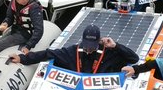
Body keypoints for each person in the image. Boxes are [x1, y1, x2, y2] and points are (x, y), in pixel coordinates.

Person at [10, 24, 138, 73]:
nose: (89, 49)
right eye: (87, 45)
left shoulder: (110, 53)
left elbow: (134, 59)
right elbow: (49, 54)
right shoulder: (72, 52)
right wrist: (23, 58)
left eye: (92, 46)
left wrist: (115, 46)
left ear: (98, 42)